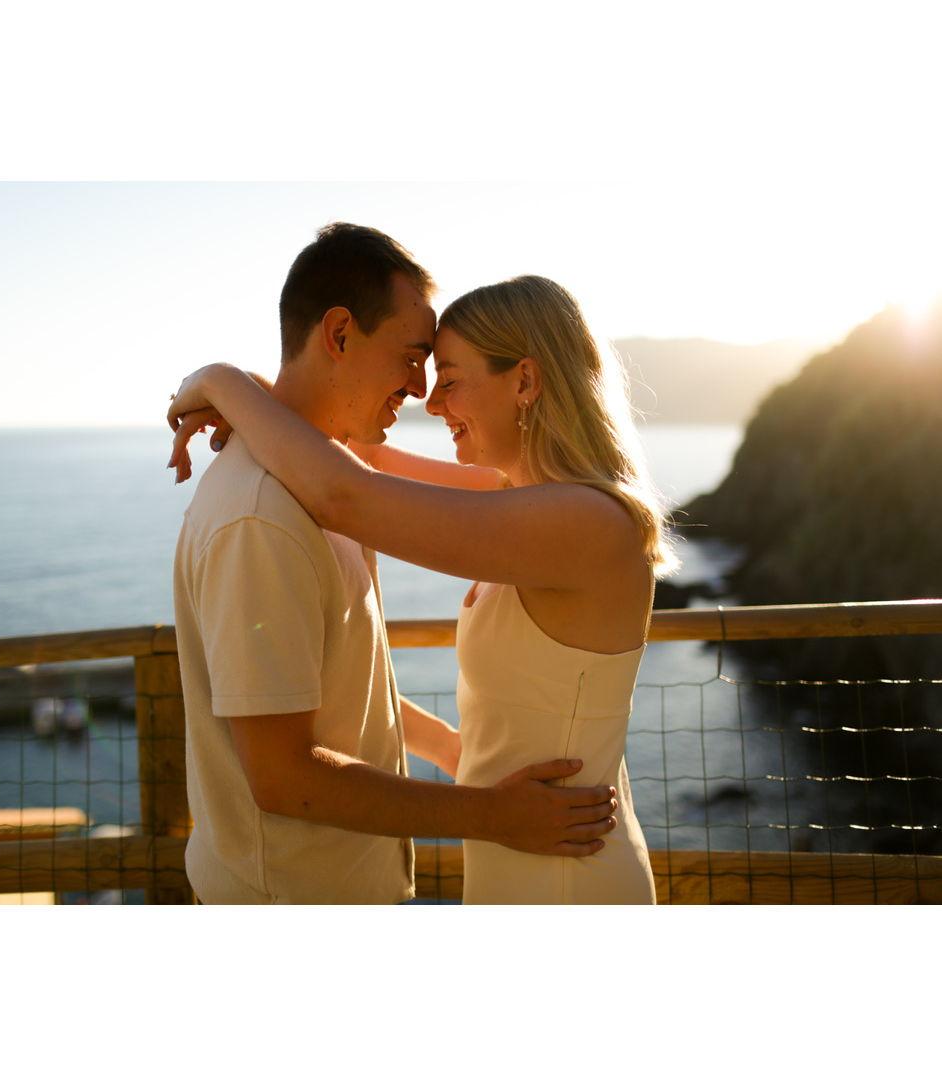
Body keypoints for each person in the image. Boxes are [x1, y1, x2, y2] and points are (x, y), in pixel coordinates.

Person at [169, 267, 677, 905]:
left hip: (562, 866)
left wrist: (219, 379)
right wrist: (258, 395)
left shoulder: (586, 524)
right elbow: (358, 455)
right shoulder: (527, 499)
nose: (430, 404)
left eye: (452, 381)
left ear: (524, 380)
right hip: (521, 844)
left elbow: (343, 492)